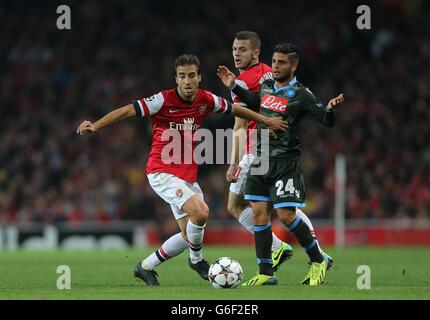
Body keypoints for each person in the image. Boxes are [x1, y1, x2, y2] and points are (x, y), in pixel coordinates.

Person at [76, 54, 288, 286]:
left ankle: (145, 267)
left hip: (187, 175)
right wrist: (96, 124)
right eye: (181, 76)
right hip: (161, 171)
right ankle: (196, 261)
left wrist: (265, 120)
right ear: (176, 79)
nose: (186, 81)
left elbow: (237, 110)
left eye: (191, 76)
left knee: (189, 235)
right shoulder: (162, 100)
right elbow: (127, 110)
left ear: (199, 78)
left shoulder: (206, 99)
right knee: (201, 212)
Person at [217, 43, 344, 286]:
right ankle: (266, 273)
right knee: (258, 213)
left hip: (286, 161)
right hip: (260, 157)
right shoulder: (266, 86)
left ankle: (317, 260)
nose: (275, 66)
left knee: (286, 215)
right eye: (274, 61)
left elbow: (325, 120)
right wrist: (233, 85)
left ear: (293, 65)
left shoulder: (302, 94)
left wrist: (329, 109)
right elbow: (255, 102)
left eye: (282, 62)